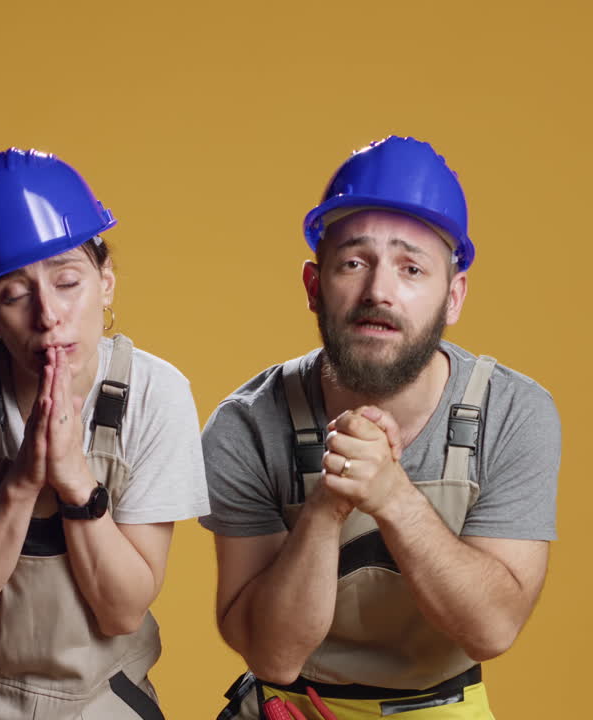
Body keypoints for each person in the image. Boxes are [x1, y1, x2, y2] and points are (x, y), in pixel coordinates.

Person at [201, 136, 561, 720]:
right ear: (315, 287)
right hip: (288, 708)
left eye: (412, 268)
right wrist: (326, 506)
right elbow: (273, 654)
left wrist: (392, 494)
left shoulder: (513, 413)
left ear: (453, 296)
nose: (379, 292)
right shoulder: (246, 424)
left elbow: (492, 630)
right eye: (353, 262)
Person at [0, 148, 209, 720]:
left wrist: (76, 482)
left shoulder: (157, 395)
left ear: (106, 284)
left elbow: (122, 613)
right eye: (15, 294)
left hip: (100, 696)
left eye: (69, 281)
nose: (49, 314)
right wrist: (22, 483)